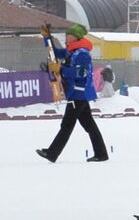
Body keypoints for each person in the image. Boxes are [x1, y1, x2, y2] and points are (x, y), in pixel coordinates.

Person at [36, 23, 109, 163]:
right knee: (89, 125)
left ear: (75, 37)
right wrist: (47, 37)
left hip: (78, 93)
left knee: (67, 125)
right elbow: (55, 53)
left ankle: (52, 153)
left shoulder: (82, 54)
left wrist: (60, 69)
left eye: (68, 36)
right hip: (77, 93)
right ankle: (101, 153)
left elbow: (81, 73)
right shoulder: (72, 51)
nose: (65, 38)